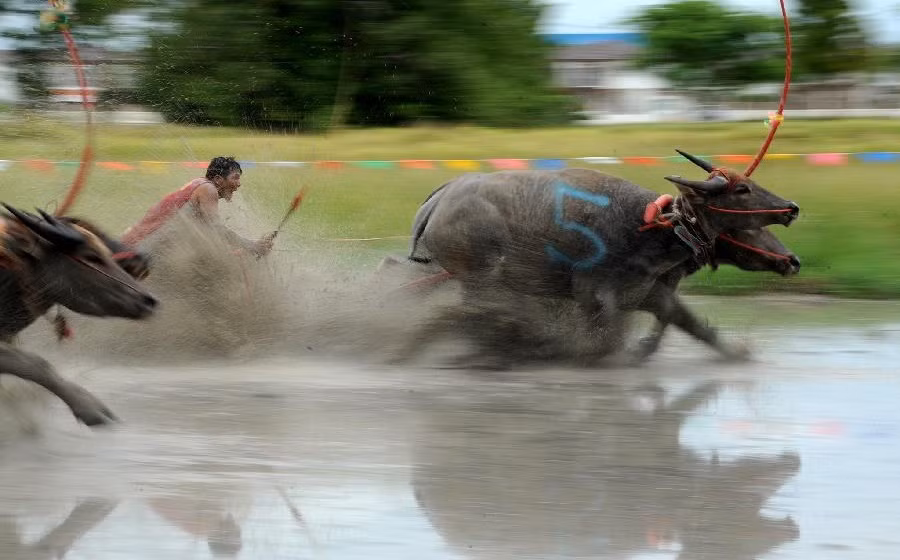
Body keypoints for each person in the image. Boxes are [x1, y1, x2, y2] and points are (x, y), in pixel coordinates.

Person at [121, 156, 274, 257]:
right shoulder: (208, 189)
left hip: (137, 246)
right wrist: (252, 246)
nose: (239, 184)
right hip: (140, 250)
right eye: (235, 178)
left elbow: (207, 239)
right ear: (218, 179)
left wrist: (237, 252)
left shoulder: (199, 186)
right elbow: (217, 229)